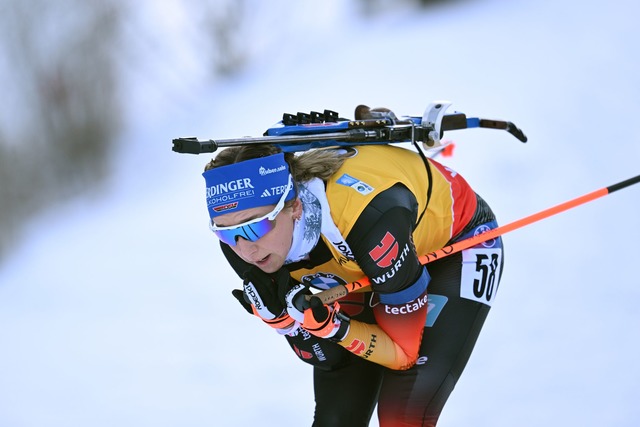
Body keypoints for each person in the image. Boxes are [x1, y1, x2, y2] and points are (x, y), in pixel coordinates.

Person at [200, 106, 504, 427]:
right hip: (364, 269)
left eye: (255, 227)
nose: (244, 248)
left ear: (294, 207)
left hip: (456, 245)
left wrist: (334, 328)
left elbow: (403, 355)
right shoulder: (243, 245)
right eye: (224, 232)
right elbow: (333, 361)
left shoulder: (367, 218)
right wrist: (288, 325)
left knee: (403, 417)